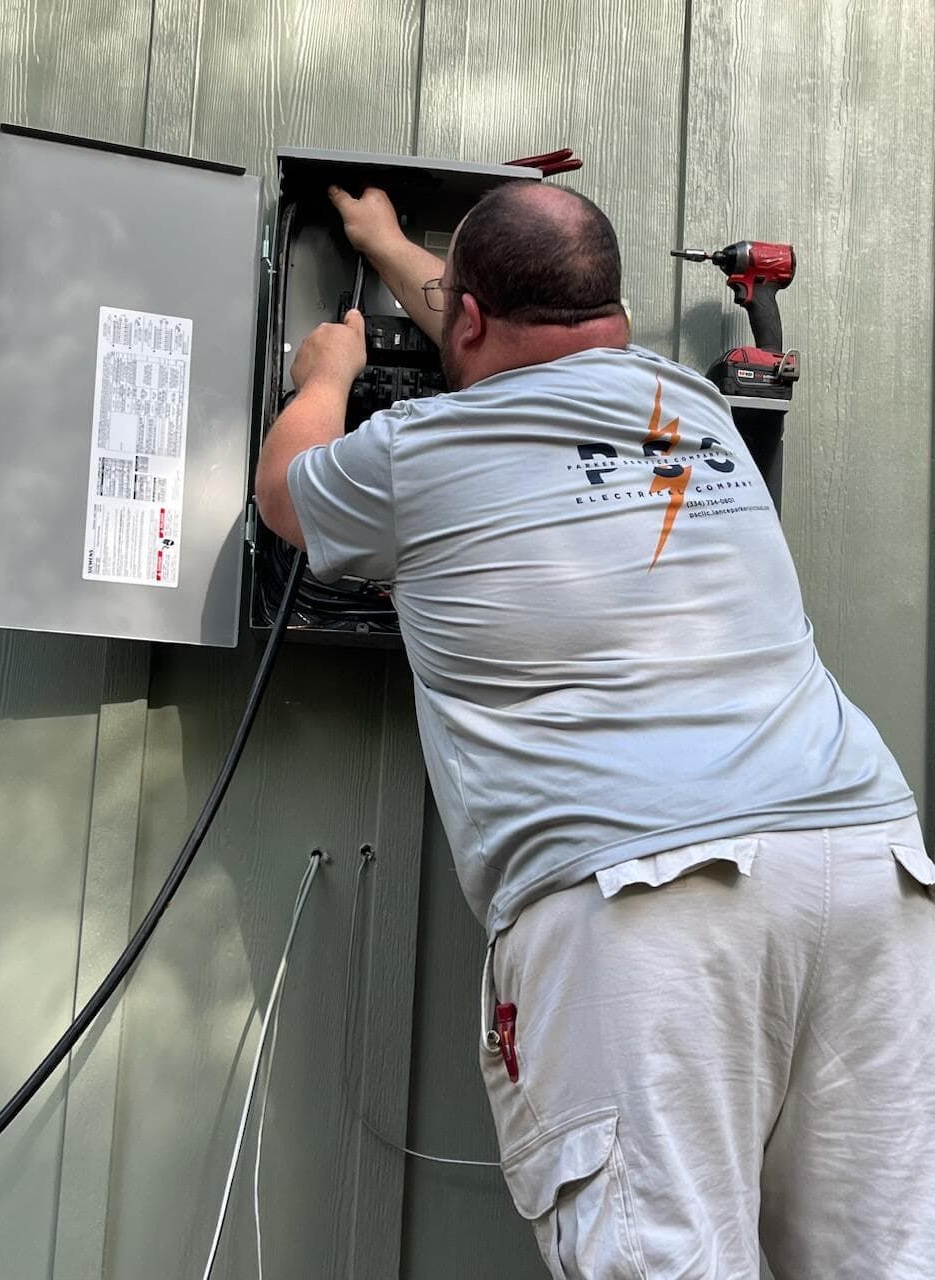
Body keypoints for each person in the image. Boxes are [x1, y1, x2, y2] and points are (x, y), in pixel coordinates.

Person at [255, 180, 935, 1279]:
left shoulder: (414, 455)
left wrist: (326, 377)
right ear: (607, 312)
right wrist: (387, 242)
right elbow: (501, 330)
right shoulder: (690, 406)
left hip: (647, 897)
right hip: (865, 865)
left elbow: (287, 493)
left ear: (468, 320)